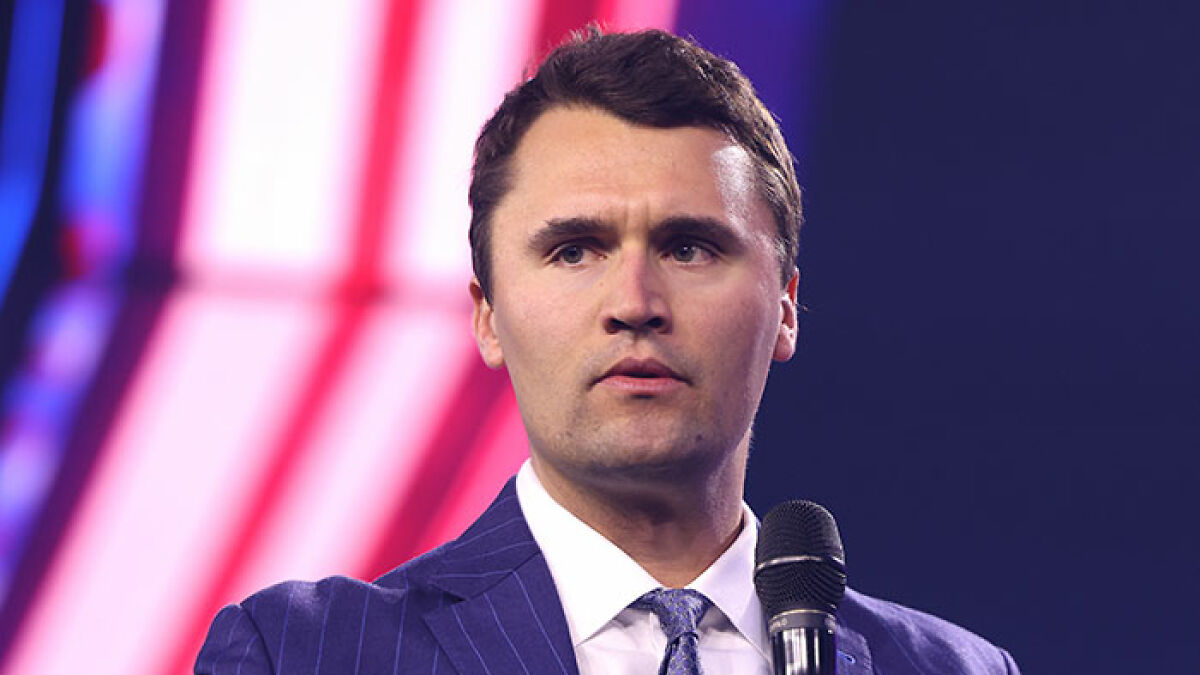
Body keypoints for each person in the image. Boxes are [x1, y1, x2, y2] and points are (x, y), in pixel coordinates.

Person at [196, 28, 1020, 675]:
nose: (635, 303)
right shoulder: (302, 653)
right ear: (486, 316)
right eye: (575, 250)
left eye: (691, 247)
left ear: (786, 308)